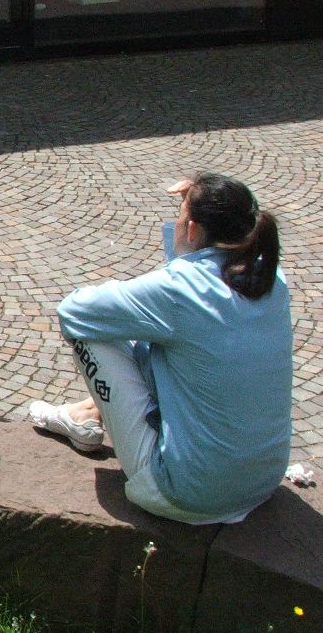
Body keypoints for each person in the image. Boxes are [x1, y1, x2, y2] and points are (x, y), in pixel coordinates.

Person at [30, 173, 293, 525]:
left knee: (93, 330)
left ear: (192, 230)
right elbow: (184, 299)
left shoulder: (178, 291)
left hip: (185, 494)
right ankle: (86, 413)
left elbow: (73, 312)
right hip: (263, 482)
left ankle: (86, 418)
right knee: (161, 335)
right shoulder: (271, 277)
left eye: (181, 216)